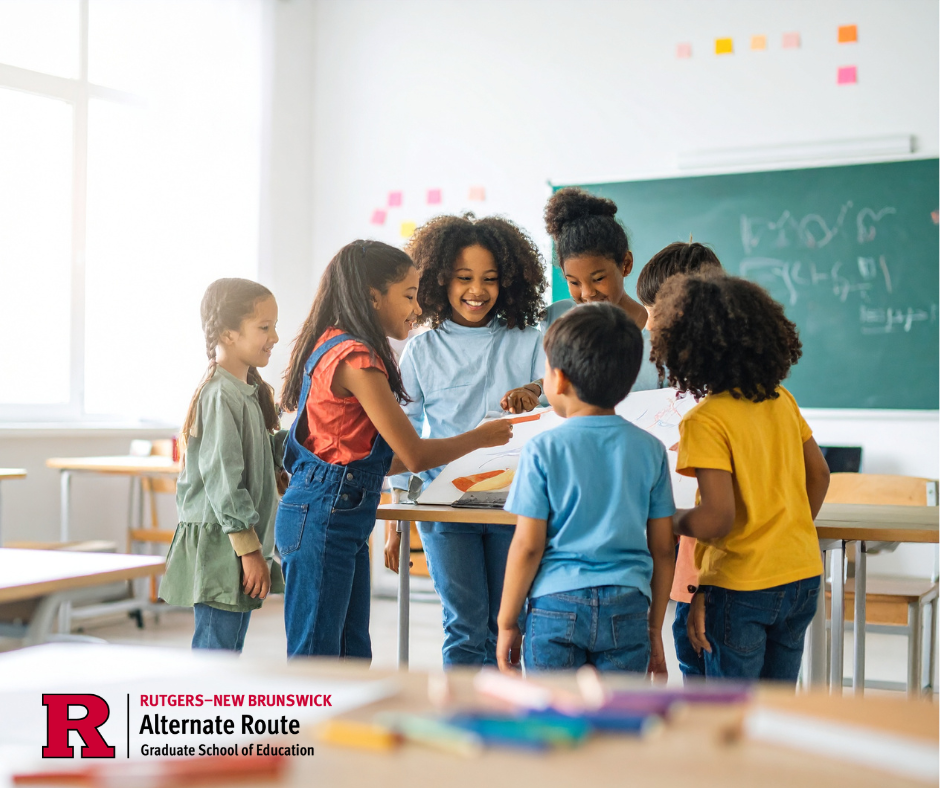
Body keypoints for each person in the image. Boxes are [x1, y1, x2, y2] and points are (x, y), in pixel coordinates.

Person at [276, 240, 512, 660]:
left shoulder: (336, 344)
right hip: (324, 513)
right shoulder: (356, 358)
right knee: (317, 660)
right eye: (408, 295)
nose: (416, 308)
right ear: (373, 297)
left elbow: (381, 459)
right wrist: (482, 437)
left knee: (349, 656)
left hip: (334, 511)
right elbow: (416, 455)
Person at [649, 272, 830, 683]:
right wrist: (787, 531)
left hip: (742, 586)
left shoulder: (706, 420)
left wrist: (667, 519)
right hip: (800, 575)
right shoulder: (782, 399)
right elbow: (819, 476)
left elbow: (716, 518)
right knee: (774, 710)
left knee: (732, 710)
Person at [384, 213, 546, 667]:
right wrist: (399, 514)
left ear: (509, 282)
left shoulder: (529, 340)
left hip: (514, 501)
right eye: (464, 278)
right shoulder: (423, 348)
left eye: (490, 279)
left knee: (509, 621)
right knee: (465, 626)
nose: (477, 291)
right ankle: (462, 719)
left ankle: (505, 720)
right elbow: (406, 429)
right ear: (440, 280)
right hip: (444, 505)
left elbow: (555, 401)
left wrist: (534, 391)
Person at [496, 303, 676, 675]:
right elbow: (663, 548)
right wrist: (655, 627)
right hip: (628, 605)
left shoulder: (542, 450)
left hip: (554, 605)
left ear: (558, 380)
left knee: (554, 720)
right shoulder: (650, 450)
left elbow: (528, 546)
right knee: (616, 722)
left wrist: (506, 621)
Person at [161, 278, 284, 653]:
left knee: (227, 647)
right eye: (264, 327)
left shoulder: (247, 391)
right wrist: (249, 552)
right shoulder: (218, 394)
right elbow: (223, 480)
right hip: (224, 545)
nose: (275, 337)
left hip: (236, 541)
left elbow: (255, 456)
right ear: (229, 333)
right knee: (217, 651)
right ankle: (205, 712)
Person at [636, 240, 723, 681]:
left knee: (707, 683)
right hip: (704, 576)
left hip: (709, 578)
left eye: (654, 310)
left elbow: (717, 508)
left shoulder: (713, 404)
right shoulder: (753, 385)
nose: (647, 323)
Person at [502, 187, 658, 413]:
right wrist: (534, 389)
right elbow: (561, 378)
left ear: (625, 264)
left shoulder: (654, 331)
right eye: (573, 282)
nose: (586, 294)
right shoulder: (557, 318)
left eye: (598, 278)